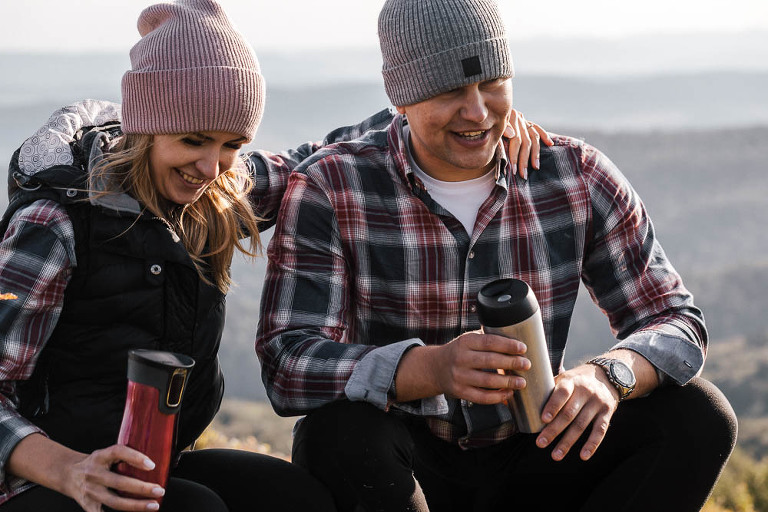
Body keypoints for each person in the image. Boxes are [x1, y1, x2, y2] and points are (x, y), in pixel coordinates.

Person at [0, 1, 550, 510]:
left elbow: (329, 155)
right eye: (193, 140)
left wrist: (479, 120)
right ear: (146, 126)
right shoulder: (56, 224)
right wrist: (70, 470)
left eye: (232, 144)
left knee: (298, 501)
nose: (212, 166)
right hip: (47, 475)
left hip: (152, 463)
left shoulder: (214, 193)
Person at [255, 1, 738, 511]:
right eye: (449, 92)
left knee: (696, 415)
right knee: (335, 432)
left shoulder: (575, 176)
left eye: (492, 83)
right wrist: (429, 368)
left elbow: (675, 320)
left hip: (540, 450)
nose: (478, 112)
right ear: (401, 97)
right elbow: (288, 360)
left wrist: (609, 376)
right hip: (402, 464)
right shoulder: (334, 185)